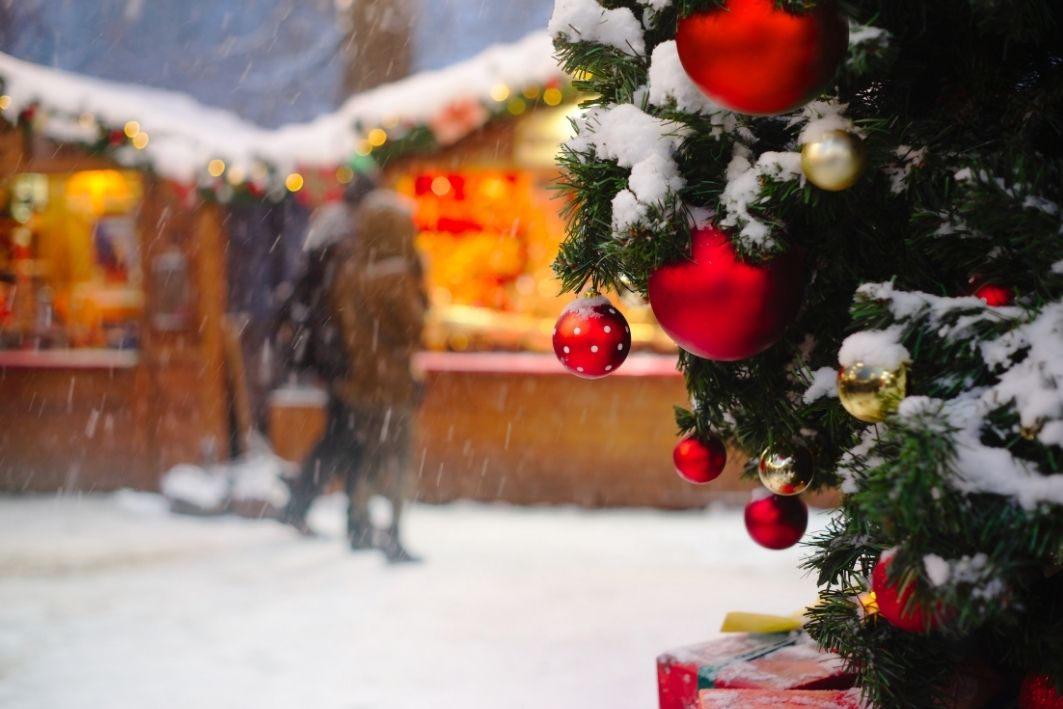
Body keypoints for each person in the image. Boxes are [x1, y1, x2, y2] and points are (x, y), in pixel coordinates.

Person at [280, 174, 427, 562]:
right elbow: (412, 328)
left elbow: (332, 318)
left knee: (351, 446)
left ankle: (350, 518)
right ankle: (371, 526)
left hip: (350, 373)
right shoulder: (380, 268)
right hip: (375, 377)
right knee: (378, 452)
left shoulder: (344, 258)